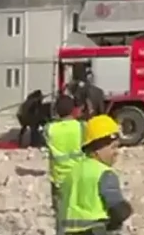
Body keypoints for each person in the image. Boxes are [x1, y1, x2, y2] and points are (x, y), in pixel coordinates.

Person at [58, 115, 133, 233]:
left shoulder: (72, 172)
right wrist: (127, 209)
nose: (117, 152)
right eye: (113, 147)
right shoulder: (105, 174)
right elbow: (118, 211)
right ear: (98, 148)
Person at [47, 95, 85, 225]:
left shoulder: (50, 129)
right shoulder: (80, 127)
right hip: (77, 174)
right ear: (72, 109)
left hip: (58, 176)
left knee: (60, 213)